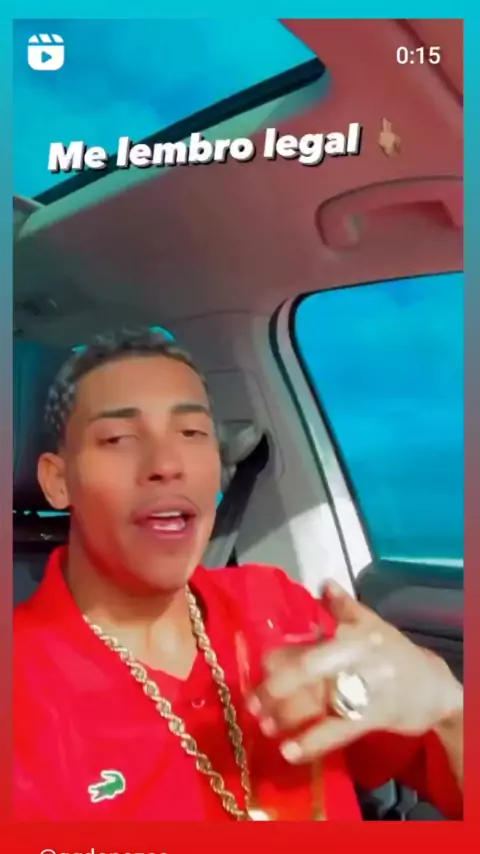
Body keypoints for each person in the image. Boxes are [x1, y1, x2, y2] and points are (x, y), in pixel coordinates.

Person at [14, 328, 463, 821]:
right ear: (58, 480)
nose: (167, 463)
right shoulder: (21, 685)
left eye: (192, 433)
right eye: (119, 438)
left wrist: (449, 708)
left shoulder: (277, 608)